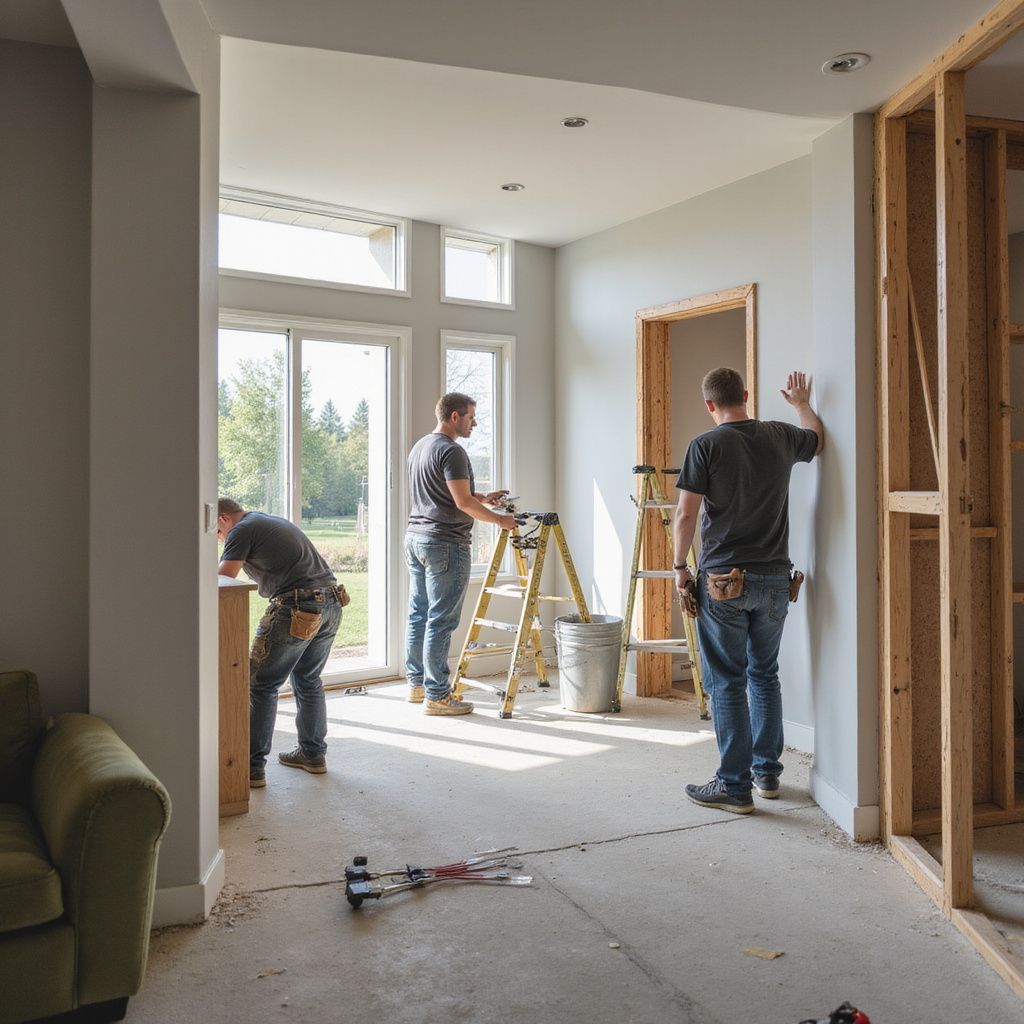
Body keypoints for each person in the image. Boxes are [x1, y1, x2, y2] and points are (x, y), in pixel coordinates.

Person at [673, 369, 823, 814]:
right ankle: (767, 775)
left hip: (724, 581)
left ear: (708, 405)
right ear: (744, 395)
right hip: (777, 579)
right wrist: (800, 403)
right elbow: (814, 437)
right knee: (764, 674)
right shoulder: (779, 435)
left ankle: (733, 786)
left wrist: (680, 566)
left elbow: (684, 516)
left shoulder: (705, 445)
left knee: (727, 681)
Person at [217, 498, 344, 787]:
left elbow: (224, 576)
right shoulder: (265, 520)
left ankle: (250, 768)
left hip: (297, 606)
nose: (219, 539)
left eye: (216, 532)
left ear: (224, 518)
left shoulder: (241, 530)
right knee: (308, 679)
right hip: (331, 602)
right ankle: (313, 755)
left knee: (261, 684)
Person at [406, 393, 517, 715]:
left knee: (419, 614)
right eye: (471, 417)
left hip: (415, 539)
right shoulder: (452, 450)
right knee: (441, 620)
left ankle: (417, 685)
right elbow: (462, 503)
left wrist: (485, 496)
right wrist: (500, 520)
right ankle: (438, 696)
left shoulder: (422, 446)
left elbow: (449, 491)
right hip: (445, 544)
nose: (474, 423)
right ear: (454, 416)